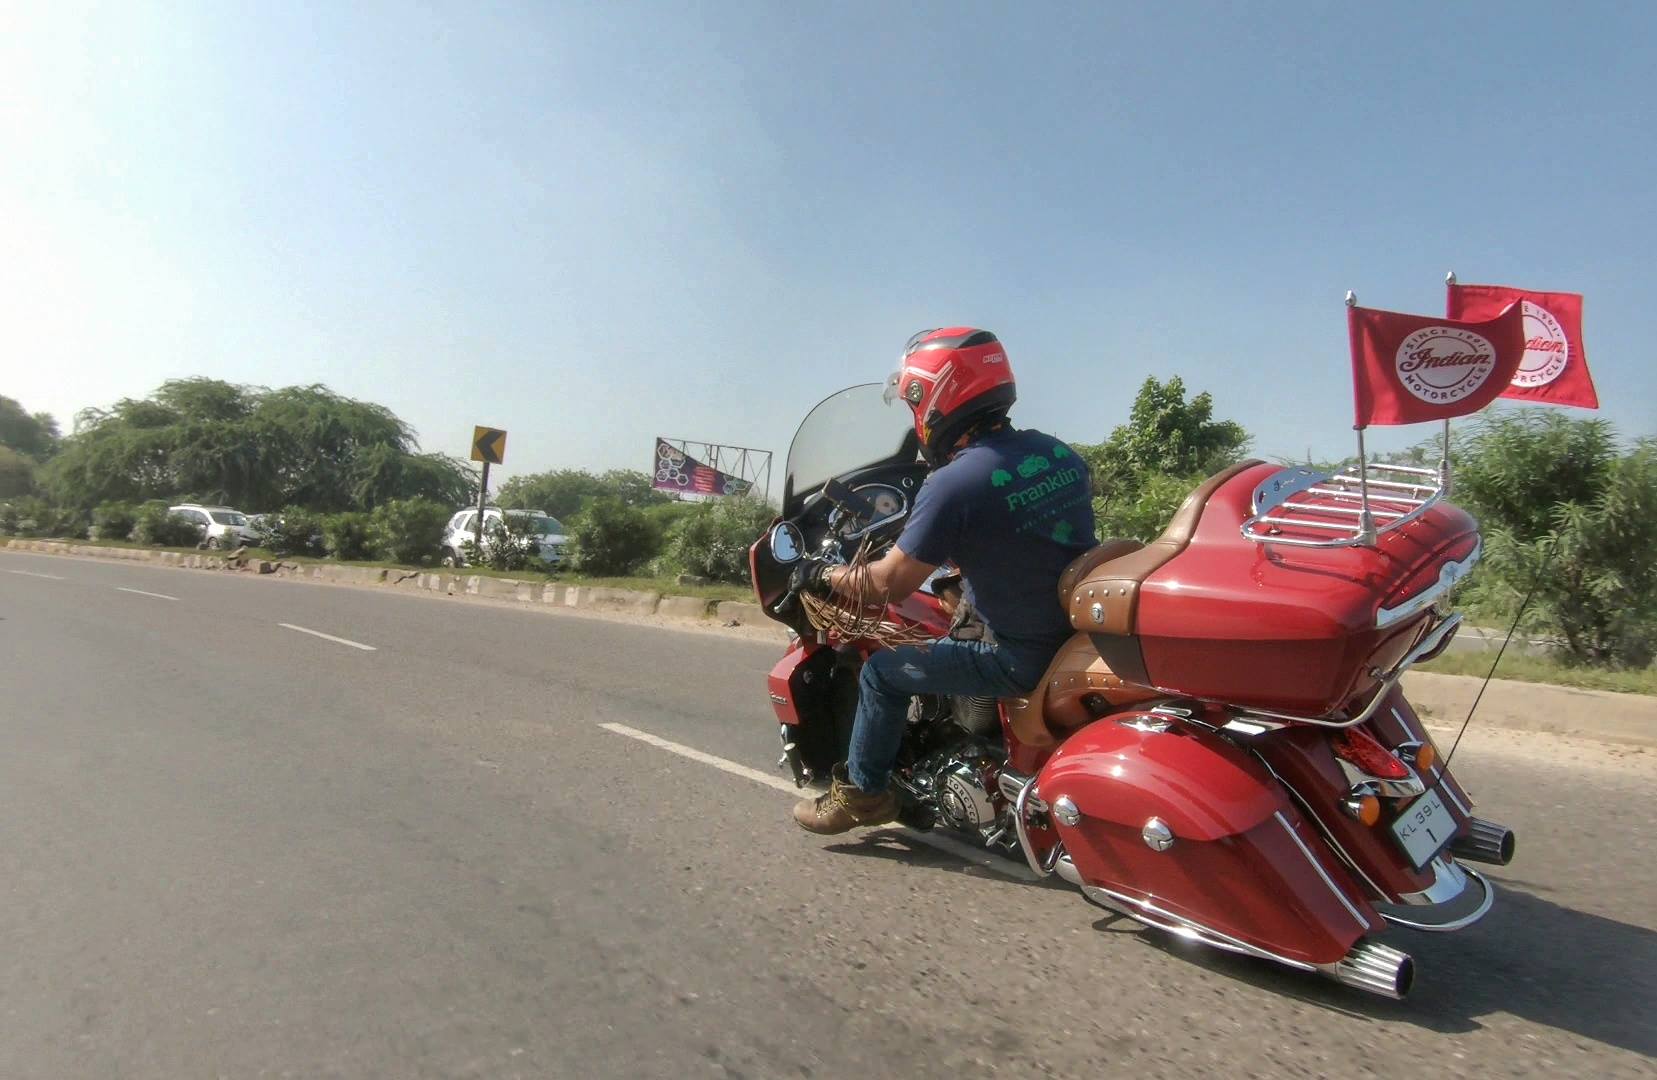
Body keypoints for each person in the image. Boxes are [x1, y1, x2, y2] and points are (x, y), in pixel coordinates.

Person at [792, 328, 1098, 833]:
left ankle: (863, 795)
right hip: (1072, 630)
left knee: (881, 674)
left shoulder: (953, 484)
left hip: (1017, 656)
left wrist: (822, 572)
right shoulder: (1056, 453)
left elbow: (889, 583)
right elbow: (1028, 539)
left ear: (934, 399)